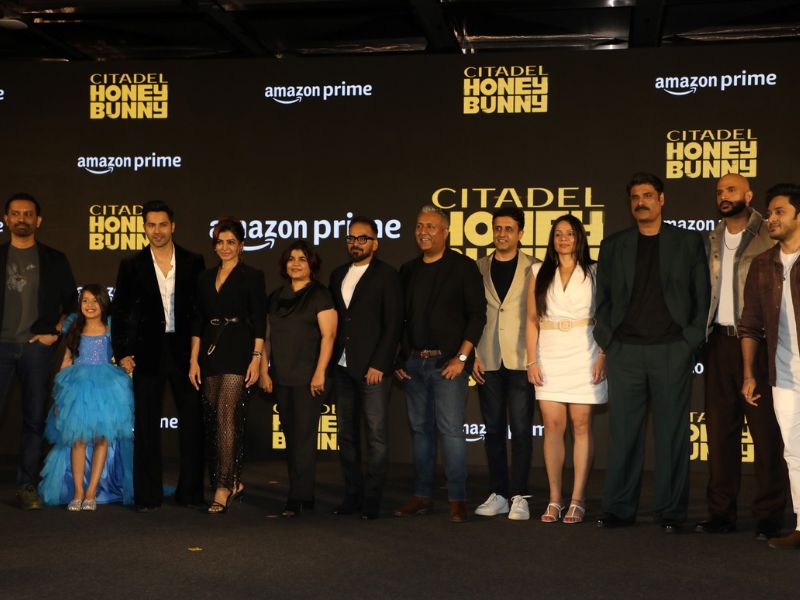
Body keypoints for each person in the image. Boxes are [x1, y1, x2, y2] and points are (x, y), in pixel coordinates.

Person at [594, 172, 710, 533]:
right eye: (634, 197)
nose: (640, 202)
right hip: (625, 351)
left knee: (673, 434)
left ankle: (671, 511)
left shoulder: (687, 242)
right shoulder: (614, 245)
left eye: (647, 195)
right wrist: (608, 339)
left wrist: (690, 340)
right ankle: (618, 508)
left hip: (672, 350)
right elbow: (603, 298)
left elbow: (702, 294)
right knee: (623, 434)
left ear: (661, 199)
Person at [696, 174, 786, 539]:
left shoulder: (769, 233)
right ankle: (721, 513)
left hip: (758, 343)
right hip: (718, 343)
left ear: (748, 196)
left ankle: (769, 516)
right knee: (720, 433)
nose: (724, 196)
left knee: (766, 435)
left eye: (731, 190)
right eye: (719, 191)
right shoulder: (713, 237)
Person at [393, 205, 486, 523]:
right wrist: (399, 357)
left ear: (446, 232)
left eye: (431, 226)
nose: (424, 232)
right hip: (414, 364)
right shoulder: (408, 270)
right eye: (420, 226)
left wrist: (462, 358)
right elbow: (399, 318)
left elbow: (477, 315)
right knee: (421, 431)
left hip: (448, 365)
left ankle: (457, 499)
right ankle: (422, 496)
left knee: (451, 432)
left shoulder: (463, 267)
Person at [112, 200, 206, 512]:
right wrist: (122, 352)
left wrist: (198, 353)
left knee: (193, 423)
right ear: (144, 227)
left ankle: (190, 493)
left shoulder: (193, 262)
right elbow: (121, 311)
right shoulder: (131, 265)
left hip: (186, 353)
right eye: (151, 225)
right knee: (146, 424)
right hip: (146, 352)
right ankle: (148, 495)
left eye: (162, 224)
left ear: (172, 226)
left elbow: (200, 310)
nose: (157, 231)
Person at [526, 214, 607, 524]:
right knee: (552, 426)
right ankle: (555, 498)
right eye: (558, 234)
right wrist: (532, 360)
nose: (563, 239)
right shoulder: (538, 271)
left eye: (569, 234)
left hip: (586, 351)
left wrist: (603, 354)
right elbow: (531, 320)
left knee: (582, 424)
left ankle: (578, 499)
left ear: (579, 238)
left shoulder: (595, 271)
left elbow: (606, 316)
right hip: (549, 353)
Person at [0, 193, 76, 510]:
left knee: (34, 420)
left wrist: (55, 332)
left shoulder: (55, 260)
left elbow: (73, 306)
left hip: (36, 351)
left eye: (28, 214)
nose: (22, 219)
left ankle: (26, 485)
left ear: (38, 220)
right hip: (2, 348)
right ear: (6, 219)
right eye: (16, 213)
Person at [189, 218, 266, 514]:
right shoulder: (204, 278)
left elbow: (259, 320)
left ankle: (223, 486)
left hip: (239, 348)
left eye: (231, 242)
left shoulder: (252, 276)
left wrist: (256, 358)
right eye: (220, 242)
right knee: (213, 419)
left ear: (241, 245)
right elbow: (197, 319)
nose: (225, 247)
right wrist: (193, 359)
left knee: (226, 416)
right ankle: (233, 481)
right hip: (210, 351)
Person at [329, 218, 403, 520]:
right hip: (341, 368)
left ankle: (372, 500)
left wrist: (380, 364)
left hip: (373, 370)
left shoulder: (387, 275)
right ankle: (352, 496)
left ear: (375, 243)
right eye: (351, 238)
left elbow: (393, 323)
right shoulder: (337, 274)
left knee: (376, 437)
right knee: (346, 436)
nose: (356, 243)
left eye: (363, 238)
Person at [740, 183, 800, 549]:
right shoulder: (761, 264)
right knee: (793, 452)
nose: (771, 219)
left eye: (780, 212)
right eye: (770, 213)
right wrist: (749, 373)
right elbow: (749, 325)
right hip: (784, 375)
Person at [39, 285, 134, 510]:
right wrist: (59, 396)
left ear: (103, 303)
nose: (90, 305)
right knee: (78, 440)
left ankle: (91, 492)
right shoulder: (75, 327)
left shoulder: (111, 327)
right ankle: (78, 492)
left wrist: (127, 364)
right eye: (85, 300)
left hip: (106, 388)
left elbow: (122, 355)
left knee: (102, 438)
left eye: (95, 301)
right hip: (77, 387)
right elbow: (66, 361)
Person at [261, 240, 337, 517]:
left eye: (302, 259)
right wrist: (263, 370)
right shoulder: (275, 296)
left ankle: (298, 496)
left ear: (311, 265)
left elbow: (329, 336)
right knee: (292, 438)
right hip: (282, 376)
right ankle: (304, 493)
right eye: (291, 259)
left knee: (303, 438)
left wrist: (320, 372)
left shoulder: (320, 294)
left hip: (309, 378)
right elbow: (266, 338)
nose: (295, 263)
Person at [472, 206, 536, 521]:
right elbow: (470, 313)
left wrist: (536, 357)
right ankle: (498, 493)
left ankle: (519, 496)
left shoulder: (534, 267)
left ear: (520, 233)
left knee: (522, 430)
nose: (502, 234)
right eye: (497, 228)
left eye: (508, 229)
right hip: (487, 358)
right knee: (493, 429)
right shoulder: (478, 267)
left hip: (522, 358)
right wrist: (472, 354)